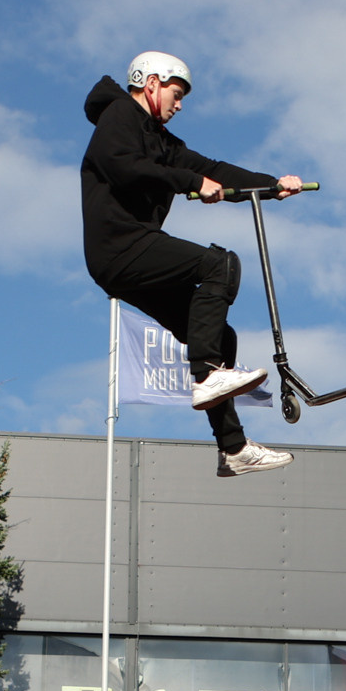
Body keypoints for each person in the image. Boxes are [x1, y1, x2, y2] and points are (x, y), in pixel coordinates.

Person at [79, 52, 304, 479]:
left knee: (219, 336)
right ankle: (208, 375)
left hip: (132, 254)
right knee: (219, 264)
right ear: (152, 84)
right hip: (120, 247)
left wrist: (270, 185)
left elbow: (210, 169)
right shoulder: (118, 116)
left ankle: (233, 448)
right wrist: (190, 183)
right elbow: (124, 167)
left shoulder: (163, 142)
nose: (178, 105)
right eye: (176, 94)